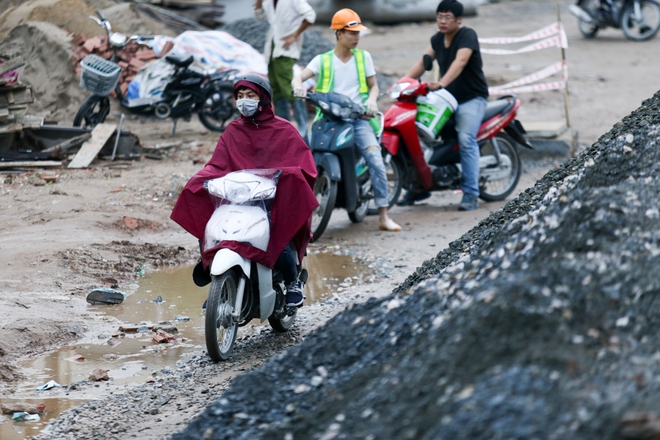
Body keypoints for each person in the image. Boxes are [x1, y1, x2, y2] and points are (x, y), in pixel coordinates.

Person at [170, 74, 318, 307]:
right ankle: (211, 264)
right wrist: (202, 179)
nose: (244, 101)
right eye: (240, 96)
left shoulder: (284, 129)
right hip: (237, 197)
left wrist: (286, 176)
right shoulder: (233, 130)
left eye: (250, 96)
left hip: (271, 200)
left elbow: (304, 167)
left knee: (276, 235)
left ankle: (292, 282)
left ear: (263, 99)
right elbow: (218, 163)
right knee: (210, 224)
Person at [291, 8, 402, 232]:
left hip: (359, 120)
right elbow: (300, 76)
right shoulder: (322, 60)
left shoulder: (364, 58)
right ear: (339, 34)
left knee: (376, 162)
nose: (357, 37)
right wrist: (297, 85)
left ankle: (383, 215)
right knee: (301, 162)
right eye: (352, 33)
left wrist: (372, 100)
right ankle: (296, 214)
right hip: (329, 120)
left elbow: (374, 86)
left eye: (358, 33)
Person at [398, 0, 488, 211]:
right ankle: (420, 185)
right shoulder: (437, 39)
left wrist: (441, 84)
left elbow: (461, 61)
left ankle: (471, 193)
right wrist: (401, 85)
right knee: (419, 133)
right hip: (446, 99)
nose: (443, 21)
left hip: (471, 98)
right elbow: (422, 63)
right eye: (440, 16)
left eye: (448, 17)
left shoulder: (467, 35)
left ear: (459, 20)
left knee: (466, 140)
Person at [254, 0, 315, 136]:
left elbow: (310, 16)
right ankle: (283, 125)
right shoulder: (269, 2)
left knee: (288, 86)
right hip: (273, 47)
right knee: (276, 88)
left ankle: (302, 125)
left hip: (286, 49)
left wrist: (294, 35)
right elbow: (259, 15)